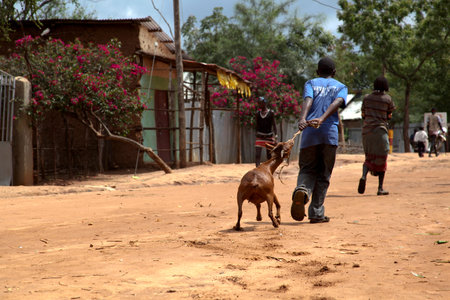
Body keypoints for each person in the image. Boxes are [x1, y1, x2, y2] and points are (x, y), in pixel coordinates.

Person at [291, 57, 348, 223]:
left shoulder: (311, 83)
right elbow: (338, 102)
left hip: (310, 133)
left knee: (307, 168)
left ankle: (302, 189)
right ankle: (316, 213)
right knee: (323, 174)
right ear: (334, 72)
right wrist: (323, 118)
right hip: (329, 135)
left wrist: (303, 118)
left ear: (317, 72)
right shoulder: (341, 86)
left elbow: (308, 100)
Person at [357, 76, 395, 196]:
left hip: (367, 131)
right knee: (382, 158)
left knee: (368, 158)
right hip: (380, 131)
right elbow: (390, 115)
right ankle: (380, 188)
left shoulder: (366, 98)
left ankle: (364, 176)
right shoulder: (387, 99)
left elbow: (363, 114)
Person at [255, 96, 277, 167]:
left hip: (269, 137)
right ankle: (258, 169)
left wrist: (275, 136)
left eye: (260, 103)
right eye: (259, 103)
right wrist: (257, 134)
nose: (259, 105)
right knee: (257, 155)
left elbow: (274, 125)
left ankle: (268, 170)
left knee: (269, 156)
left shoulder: (271, 113)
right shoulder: (258, 113)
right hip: (260, 137)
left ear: (264, 103)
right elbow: (257, 125)